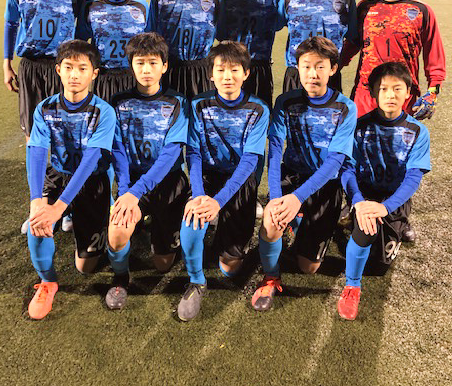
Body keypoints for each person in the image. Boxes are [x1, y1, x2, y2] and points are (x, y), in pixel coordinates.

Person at [251, 37, 357, 312]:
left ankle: (304, 220)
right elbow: (275, 150)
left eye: (320, 66)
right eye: (306, 66)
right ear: (297, 68)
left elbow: (335, 162)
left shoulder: (346, 107)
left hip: (325, 184)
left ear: (333, 69)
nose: (312, 73)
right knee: (272, 221)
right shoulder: (285, 102)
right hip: (292, 178)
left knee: (308, 267)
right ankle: (271, 278)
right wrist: (277, 197)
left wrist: (297, 198)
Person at [25, 40, 116, 320]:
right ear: (58, 70)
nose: (74, 74)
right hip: (58, 176)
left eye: (82, 68)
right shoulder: (44, 108)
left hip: (92, 181)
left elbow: (91, 161)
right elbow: (36, 152)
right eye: (68, 67)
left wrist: (60, 206)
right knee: (37, 224)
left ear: (94, 73)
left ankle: (77, 214)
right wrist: (37, 201)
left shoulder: (104, 112)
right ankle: (48, 282)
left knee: (85, 267)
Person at [179, 41, 269, 321]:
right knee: (191, 223)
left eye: (234, 70)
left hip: (239, 180)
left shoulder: (259, 109)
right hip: (207, 178)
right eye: (221, 70)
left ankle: (231, 221)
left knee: (230, 268)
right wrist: (198, 194)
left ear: (246, 73)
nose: (227, 76)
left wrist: (218, 202)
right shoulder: (197, 105)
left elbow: (250, 161)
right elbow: (193, 153)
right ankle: (196, 281)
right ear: (211, 74)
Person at [337, 62, 430, 321]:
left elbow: (413, 177)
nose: (390, 95)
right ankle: (352, 286)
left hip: (393, 201)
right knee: (366, 228)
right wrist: (358, 201)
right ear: (373, 94)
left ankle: (397, 222)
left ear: (408, 92)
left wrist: (386, 207)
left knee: (378, 266)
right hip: (364, 197)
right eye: (383, 89)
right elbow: (347, 169)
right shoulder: (359, 126)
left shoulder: (418, 131)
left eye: (397, 88)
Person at [106, 33, 189, 310]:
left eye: (153, 63)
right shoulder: (118, 102)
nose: (146, 69)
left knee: (163, 264)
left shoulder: (178, 102)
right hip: (131, 185)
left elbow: (170, 155)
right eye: (140, 63)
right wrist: (125, 192)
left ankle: (163, 228)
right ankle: (120, 279)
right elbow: (118, 151)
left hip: (168, 183)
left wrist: (135, 192)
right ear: (131, 65)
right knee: (117, 233)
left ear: (164, 66)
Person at [341, 0, 445, 120]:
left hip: (403, 96)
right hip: (366, 96)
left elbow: (434, 57)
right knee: (361, 138)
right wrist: (330, 67)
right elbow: (350, 47)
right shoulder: (364, 8)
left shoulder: (422, 11)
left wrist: (433, 91)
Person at [3, 0, 85, 137]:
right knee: (32, 130)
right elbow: (11, 24)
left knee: (65, 130)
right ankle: (34, 161)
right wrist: (7, 63)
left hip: (63, 67)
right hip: (31, 67)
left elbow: (83, 28)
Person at [146, 0, 223, 101]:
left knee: (200, 113)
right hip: (169, 69)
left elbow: (223, 34)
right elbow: (151, 36)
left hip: (202, 70)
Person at [77, 0, 148, 104]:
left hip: (134, 78)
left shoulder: (142, 7)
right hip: (103, 78)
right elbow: (81, 44)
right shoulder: (90, 7)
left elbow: (149, 47)